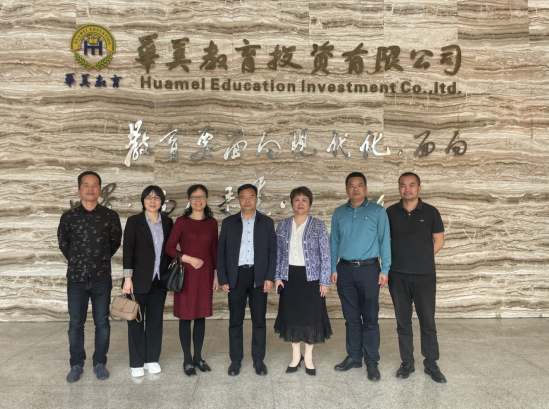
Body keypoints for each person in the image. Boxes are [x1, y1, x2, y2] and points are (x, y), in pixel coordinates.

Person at [57, 171, 122, 383]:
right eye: (86, 185)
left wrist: (98, 260)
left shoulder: (110, 216)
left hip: (101, 278)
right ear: (79, 189)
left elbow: (114, 243)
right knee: (76, 324)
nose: (90, 189)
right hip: (76, 279)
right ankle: (76, 364)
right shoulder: (68, 217)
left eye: (95, 185)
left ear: (100, 190)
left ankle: (99, 363)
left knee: (102, 323)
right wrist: (79, 262)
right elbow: (64, 244)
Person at [386, 172, 447, 383]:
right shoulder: (390, 212)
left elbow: (439, 241)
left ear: (419, 188)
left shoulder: (431, 212)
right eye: (403, 185)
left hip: (424, 276)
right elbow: (384, 241)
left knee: (427, 321)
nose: (407, 189)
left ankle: (431, 364)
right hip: (397, 275)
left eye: (411, 185)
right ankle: (407, 363)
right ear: (399, 188)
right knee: (403, 322)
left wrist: (422, 258)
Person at [330, 171, 391, 381]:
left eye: (359, 185)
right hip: (345, 270)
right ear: (346, 189)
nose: (355, 189)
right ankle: (354, 357)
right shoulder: (339, 213)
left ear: (365, 188)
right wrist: (333, 268)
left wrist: (385, 269)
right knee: (351, 318)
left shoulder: (377, 211)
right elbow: (334, 242)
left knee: (370, 318)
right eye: (351, 185)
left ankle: (372, 361)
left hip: (369, 270)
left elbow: (384, 241)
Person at [217, 184, 277, 376]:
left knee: (259, 320)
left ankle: (258, 360)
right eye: (243, 197)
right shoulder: (229, 223)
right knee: (235, 320)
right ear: (238, 200)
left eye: (251, 196)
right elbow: (221, 252)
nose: (247, 200)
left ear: (257, 199)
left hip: (259, 276)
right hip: (236, 276)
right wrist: (223, 278)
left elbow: (273, 252)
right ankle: (235, 360)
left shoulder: (267, 222)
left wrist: (269, 277)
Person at [274, 186, 332, 376]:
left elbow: (326, 255)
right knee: (291, 316)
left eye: (304, 199)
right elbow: (278, 254)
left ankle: (308, 357)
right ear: (292, 203)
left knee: (310, 318)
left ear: (310, 203)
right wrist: (277, 277)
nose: (300, 203)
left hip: (311, 279)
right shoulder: (283, 225)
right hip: (289, 277)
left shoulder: (318, 226)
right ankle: (295, 356)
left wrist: (324, 281)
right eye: (297, 199)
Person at [165, 184, 219, 377]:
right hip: (185, 275)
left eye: (202, 196)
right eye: (194, 197)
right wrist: (188, 259)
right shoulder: (182, 222)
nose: (198, 200)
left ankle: (198, 357)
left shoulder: (212, 223)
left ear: (206, 199)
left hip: (205, 275)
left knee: (201, 316)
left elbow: (214, 251)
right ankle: (187, 359)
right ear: (189, 200)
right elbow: (169, 248)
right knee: (186, 317)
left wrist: (216, 275)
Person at [122, 186, 174, 378]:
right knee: (135, 321)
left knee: (155, 321)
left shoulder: (168, 222)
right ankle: (136, 362)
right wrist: (127, 279)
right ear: (143, 200)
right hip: (137, 280)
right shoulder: (134, 221)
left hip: (159, 280)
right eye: (149, 197)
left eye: (157, 198)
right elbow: (128, 251)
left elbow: (169, 250)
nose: (153, 201)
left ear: (162, 202)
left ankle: (151, 359)